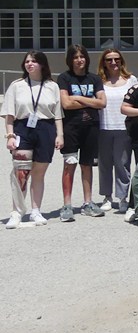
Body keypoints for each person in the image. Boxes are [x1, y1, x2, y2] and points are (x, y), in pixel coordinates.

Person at [3, 51, 63, 228]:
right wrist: (10, 135)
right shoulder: (17, 85)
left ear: (42, 64)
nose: (29, 64)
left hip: (46, 129)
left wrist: (60, 135)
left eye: (34, 61)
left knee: (39, 172)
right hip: (23, 128)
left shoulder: (52, 86)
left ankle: (36, 211)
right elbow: (9, 114)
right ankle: (17, 212)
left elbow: (57, 114)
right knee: (21, 172)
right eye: (27, 61)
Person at [57, 45, 106, 222]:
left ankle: (88, 202)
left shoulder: (94, 78)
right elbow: (66, 104)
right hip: (71, 127)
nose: (79, 60)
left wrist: (77, 98)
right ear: (70, 60)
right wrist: (90, 101)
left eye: (82, 56)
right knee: (69, 164)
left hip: (91, 126)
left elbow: (102, 103)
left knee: (87, 165)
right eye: (75, 57)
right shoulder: (64, 78)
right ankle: (67, 205)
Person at [97, 48, 138, 214]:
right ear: (104, 62)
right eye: (109, 59)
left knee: (122, 164)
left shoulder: (131, 80)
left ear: (121, 61)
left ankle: (122, 197)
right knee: (104, 164)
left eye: (116, 59)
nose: (113, 62)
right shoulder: (99, 80)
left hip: (123, 128)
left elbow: (136, 102)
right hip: (104, 126)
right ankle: (107, 197)